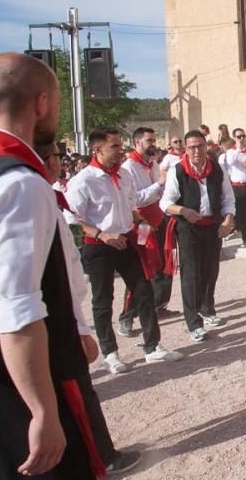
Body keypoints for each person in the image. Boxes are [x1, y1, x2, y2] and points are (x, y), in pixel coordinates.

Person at [0, 52, 108, 480]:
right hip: (17, 383)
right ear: (41, 103)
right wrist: (42, 410)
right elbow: (15, 308)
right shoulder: (20, 183)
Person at [38, 140, 142, 477]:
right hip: (57, 312)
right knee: (77, 392)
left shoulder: (45, 198)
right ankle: (102, 457)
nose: (59, 161)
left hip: (65, 308)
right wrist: (80, 328)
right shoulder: (50, 195)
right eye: (54, 155)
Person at [66, 128, 183, 373]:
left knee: (144, 291)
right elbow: (72, 218)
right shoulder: (83, 180)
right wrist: (101, 234)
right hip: (99, 247)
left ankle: (153, 347)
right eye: (115, 147)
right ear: (97, 149)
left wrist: (141, 223)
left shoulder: (123, 175)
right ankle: (110, 354)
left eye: (121, 146)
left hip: (127, 241)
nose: (121, 151)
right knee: (103, 300)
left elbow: (131, 208)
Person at [160, 130, 237, 341]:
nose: (196, 151)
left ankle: (207, 308)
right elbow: (165, 202)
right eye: (192, 147)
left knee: (211, 270)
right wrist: (183, 210)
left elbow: (228, 199)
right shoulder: (178, 171)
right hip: (188, 228)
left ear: (206, 147)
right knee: (191, 274)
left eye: (200, 146)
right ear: (186, 149)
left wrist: (228, 219)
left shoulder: (217, 170)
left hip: (212, 226)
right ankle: (194, 322)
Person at [118, 126, 174, 340]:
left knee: (164, 264)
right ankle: (127, 316)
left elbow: (159, 191)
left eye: (154, 139)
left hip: (159, 218)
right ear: (137, 142)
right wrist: (158, 185)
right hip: (141, 224)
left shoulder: (152, 164)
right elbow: (135, 200)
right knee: (141, 270)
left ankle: (159, 304)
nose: (153, 143)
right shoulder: (129, 168)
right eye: (149, 140)